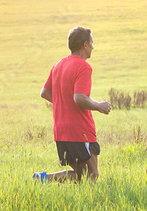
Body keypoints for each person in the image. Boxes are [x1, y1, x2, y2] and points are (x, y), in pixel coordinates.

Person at [34, 26, 111, 182]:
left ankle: (42, 179)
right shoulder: (83, 67)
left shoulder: (58, 65)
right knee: (93, 174)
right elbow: (79, 98)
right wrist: (98, 106)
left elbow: (45, 92)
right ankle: (46, 180)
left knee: (80, 175)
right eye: (91, 43)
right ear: (84, 45)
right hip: (79, 130)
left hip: (61, 131)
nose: (93, 47)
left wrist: (64, 103)